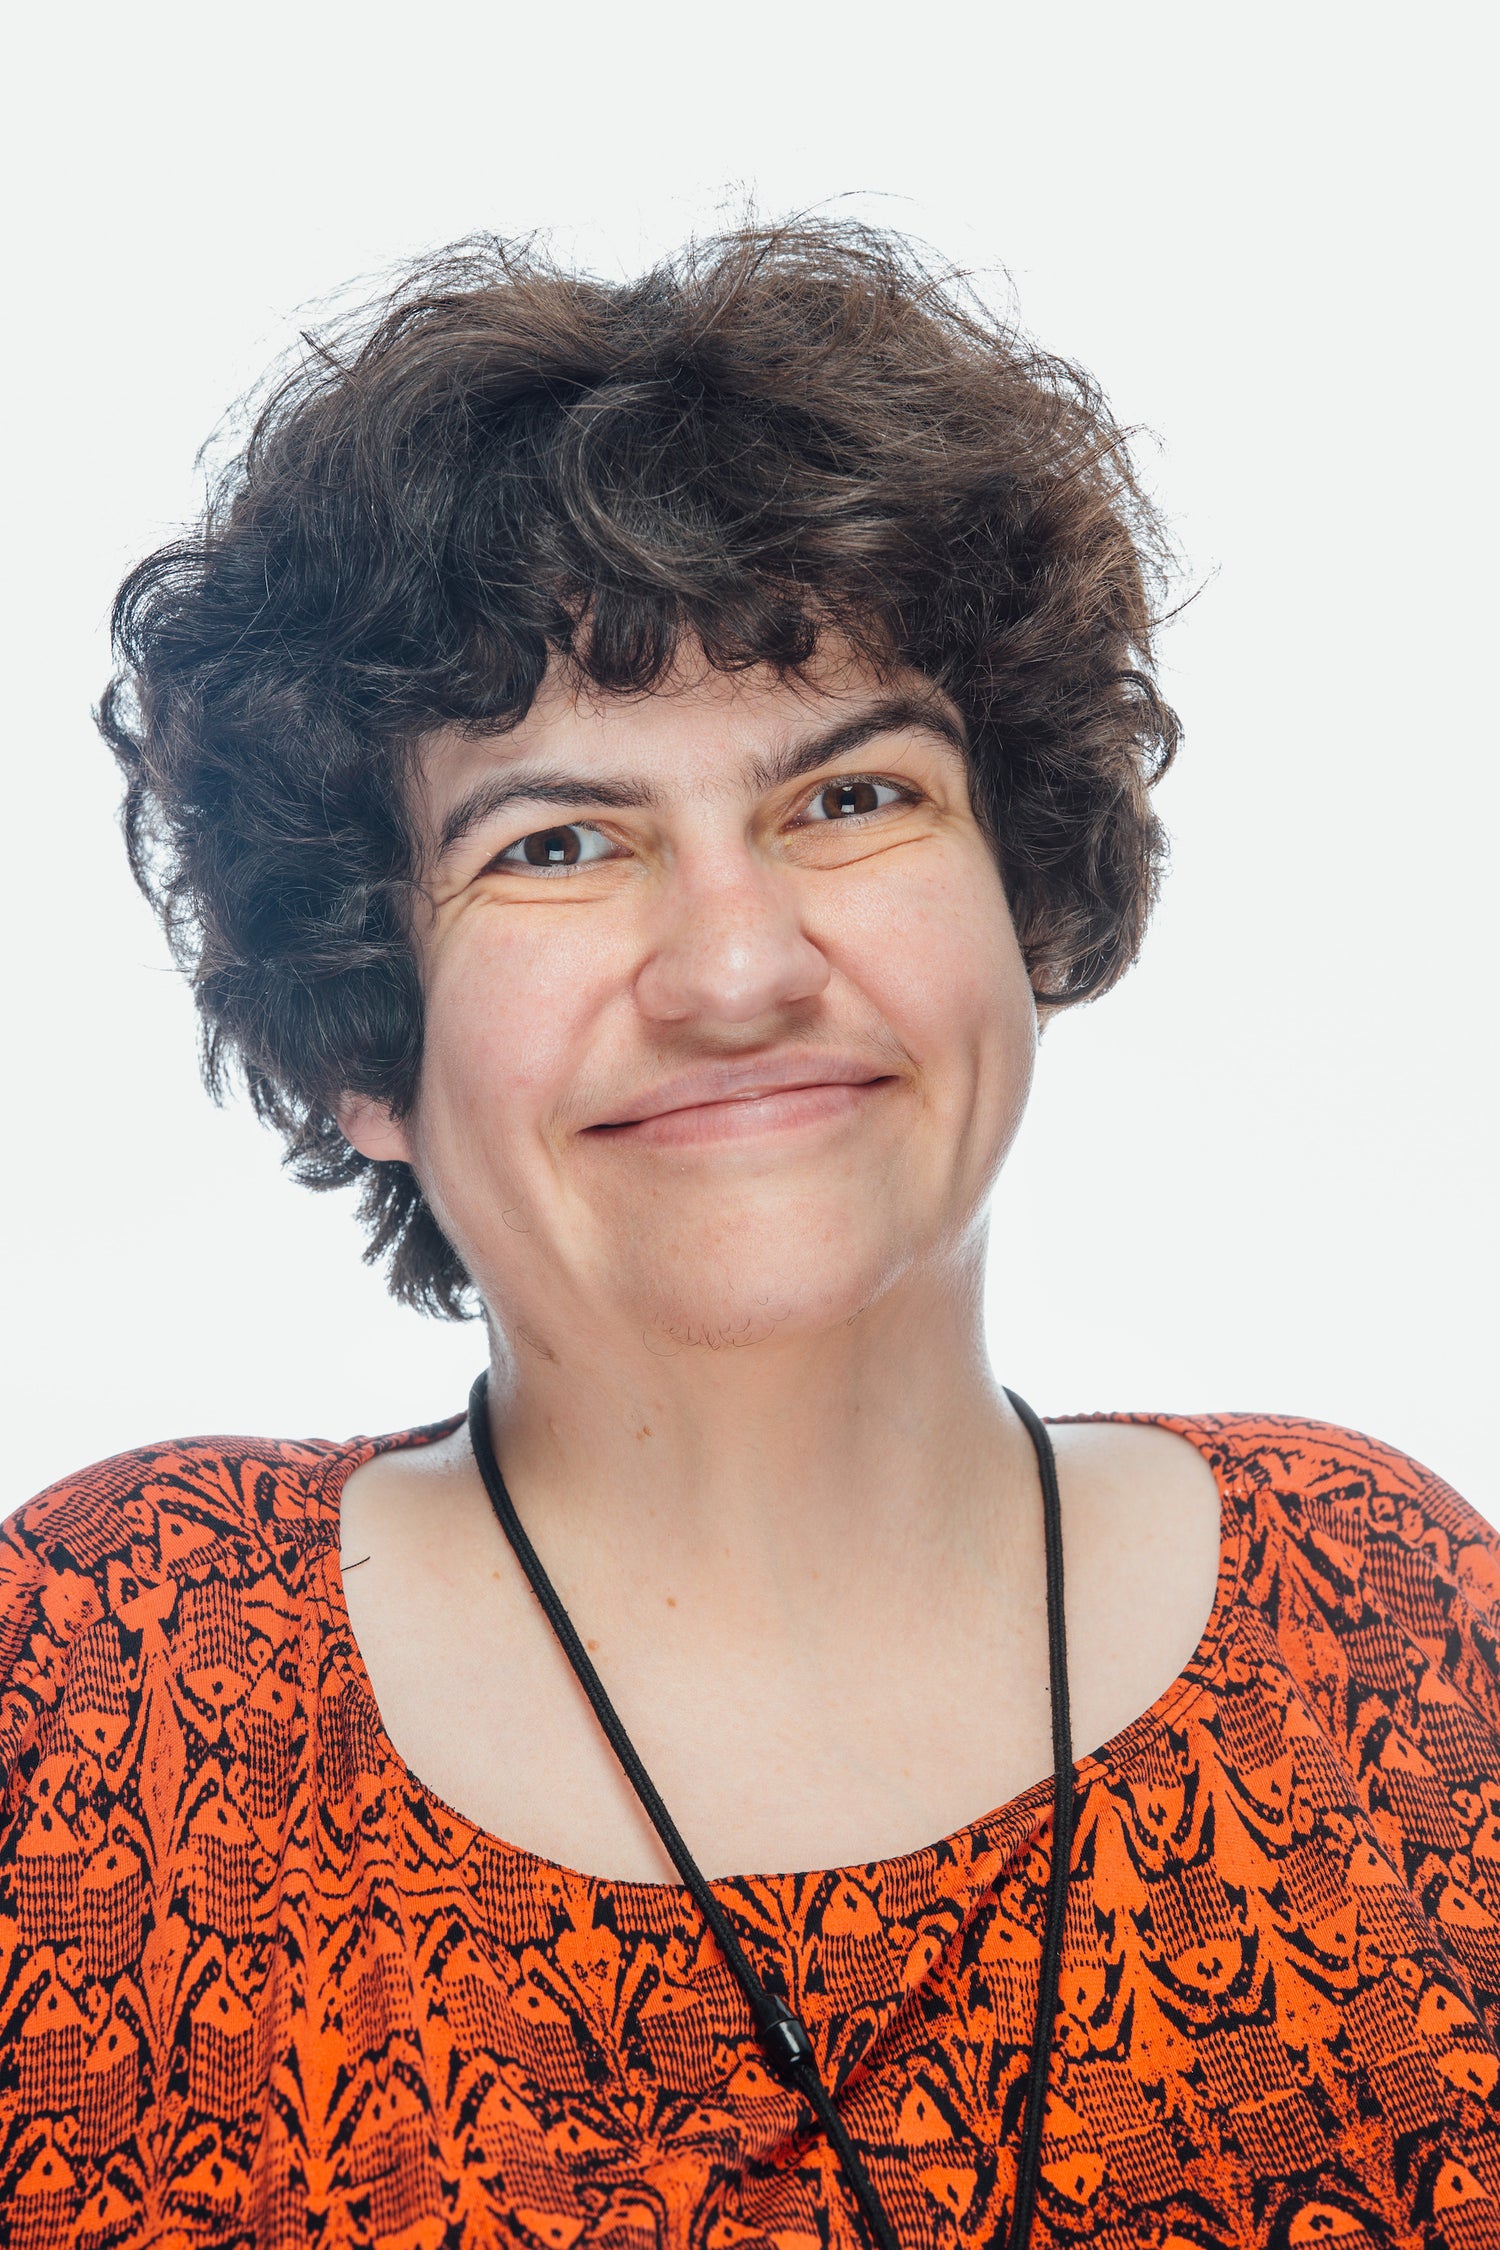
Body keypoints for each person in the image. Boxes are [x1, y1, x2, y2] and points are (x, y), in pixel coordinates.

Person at [2, 223, 1496, 2250]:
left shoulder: (1397, 1640)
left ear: (1024, 892)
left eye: (850, 800)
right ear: (361, 1028)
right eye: (554, 842)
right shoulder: (107, 1690)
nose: (732, 964)